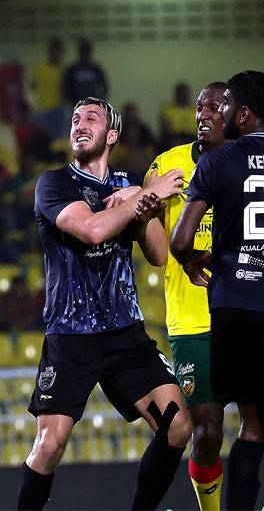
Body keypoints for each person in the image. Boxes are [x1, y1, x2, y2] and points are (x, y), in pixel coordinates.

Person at [17, 97, 192, 510]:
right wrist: (143, 194)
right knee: (50, 444)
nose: (80, 124)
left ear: (111, 135)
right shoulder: (54, 183)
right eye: (75, 119)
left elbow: (159, 254)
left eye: (91, 118)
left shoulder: (127, 184)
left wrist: (143, 204)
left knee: (178, 427)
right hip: (71, 336)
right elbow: (92, 231)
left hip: (125, 333)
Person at [171, 71, 264, 511]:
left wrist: (194, 260)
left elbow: (179, 241)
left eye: (225, 107)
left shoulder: (217, 161)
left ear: (243, 114)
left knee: (250, 426)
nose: (217, 114)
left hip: (234, 303)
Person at [145, 82, 233, 511]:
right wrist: (145, 203)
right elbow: (151, 245)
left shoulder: (250, 164)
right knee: (208, 433)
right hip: (191, 320)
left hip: (244, 311)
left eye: (215, 106)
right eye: (200, 106)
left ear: (236, 114)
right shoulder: (167, 165)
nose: (205, 113)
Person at [60, 38, 108, 108]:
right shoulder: (72, 69)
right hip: (76, 104)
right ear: (79, 52)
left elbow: (104, 86)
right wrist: (69, 100)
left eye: (86, 51)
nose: (85, 54)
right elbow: (65, 86)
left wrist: (100, 100)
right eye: (83, 51)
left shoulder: (95, 69)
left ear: (90, 52)